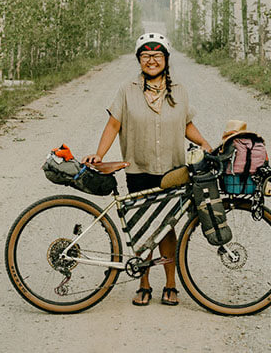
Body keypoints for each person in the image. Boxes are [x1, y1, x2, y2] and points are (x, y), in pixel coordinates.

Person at [82, 32, 212, 306]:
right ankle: (143, 283)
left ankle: (170, 283)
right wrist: (99, 153)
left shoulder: (179, 91)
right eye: (145, 56)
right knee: (143, 228)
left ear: (165, 60)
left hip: (172, 169)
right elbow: (114, 124)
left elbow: (186, 125)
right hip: (138, 168)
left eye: (156, 56)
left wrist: (204, 143)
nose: (151, 61)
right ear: (139, 60)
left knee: (166, 227)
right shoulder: (127, 90)